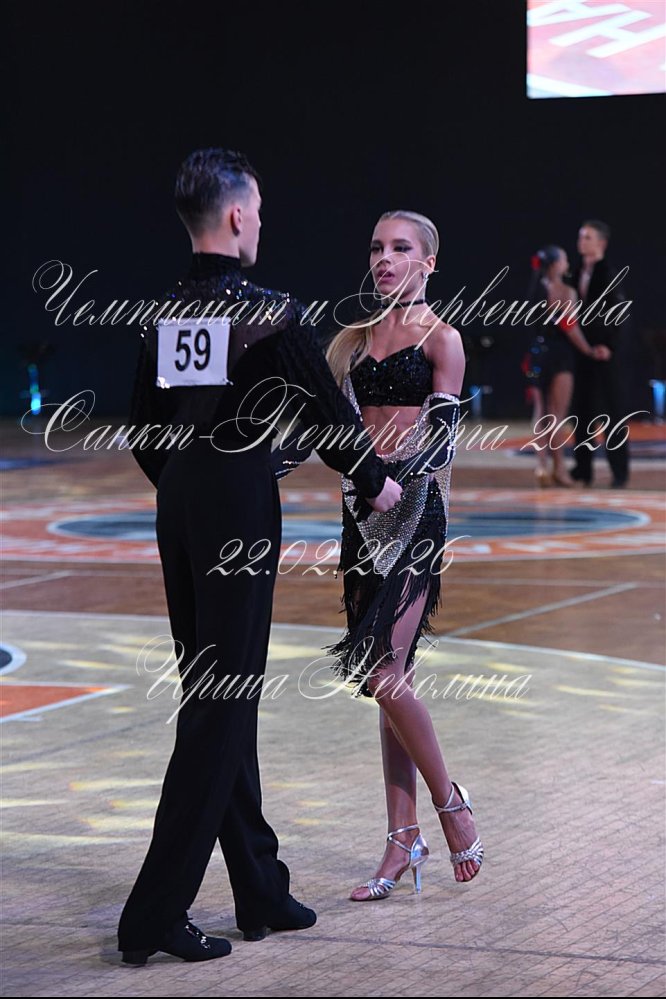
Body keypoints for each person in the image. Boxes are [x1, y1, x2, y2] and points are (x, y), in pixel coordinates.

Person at [117, 148, 402, 964]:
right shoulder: (270, 311)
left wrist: (188, 485)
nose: (262, 225)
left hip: (179, 502)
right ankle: (153, 913)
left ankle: (260, 887)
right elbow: (326, 414)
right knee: (220, 702)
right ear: (238, 216)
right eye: (261, 212)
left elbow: (144, 428)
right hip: (236, 505)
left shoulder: (160, 313)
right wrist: (375, 481)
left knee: (216, 690)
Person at [271, 209, 484, 901]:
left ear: (429, 261)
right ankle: (402, 837)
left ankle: (451, 805)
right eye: (376, 248)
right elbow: (323, 427)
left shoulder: (443, 339)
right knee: (389, 677)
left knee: (384, 672)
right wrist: (263, 465)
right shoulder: (350, 342)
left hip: (416, 513)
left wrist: (389, 479)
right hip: (361, 518)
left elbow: (442, 442)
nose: (384, 259)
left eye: (400, 248)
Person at [521, 245, 611, 487]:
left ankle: (541, 466)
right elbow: (570, 327)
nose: (568, 264)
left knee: (540, 412)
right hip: (560, 355)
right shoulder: (566, 291)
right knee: (557, 415)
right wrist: (589, 350)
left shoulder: (535, 290)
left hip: (537, 354)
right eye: (564, 260)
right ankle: (559, 468)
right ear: (555, 265)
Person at [568, 219, 631, 488]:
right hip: (582, 352)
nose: (582, 242)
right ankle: (583, 469)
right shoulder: (575, 272)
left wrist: (609, 346)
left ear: (602, 243)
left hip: (605, 354)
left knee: (612, 413)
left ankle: (619, 471)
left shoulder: (608, 273)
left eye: (588, 237)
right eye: (581, 237)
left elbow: (619, 313)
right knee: (582, 410)